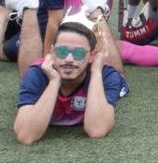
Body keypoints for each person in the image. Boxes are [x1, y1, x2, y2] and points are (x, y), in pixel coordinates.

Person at [13, 14, 128, 144]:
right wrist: (54, 81)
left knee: (119, 80)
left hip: (106, 75)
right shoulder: (37, 73)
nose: (69, 59)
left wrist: (96, 71)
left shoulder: (106, 74)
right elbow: (26, 136)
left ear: (91, 56)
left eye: (78, 53)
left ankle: (97, 12)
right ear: (52, 52)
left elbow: (97, 130)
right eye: (61, 52)